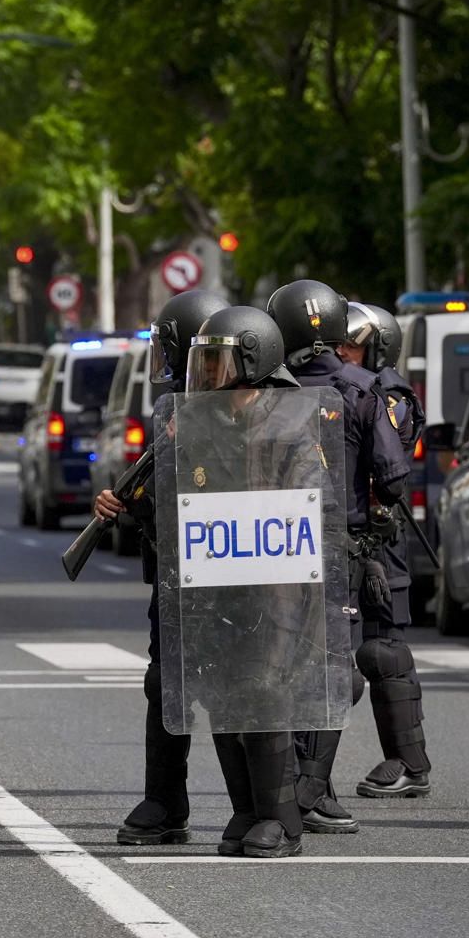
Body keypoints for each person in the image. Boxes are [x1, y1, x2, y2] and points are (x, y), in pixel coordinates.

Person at [265, 280, 410, 834]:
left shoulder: (263, 388)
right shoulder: (364, 388)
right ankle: (308, 788)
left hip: (272, 546)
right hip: (335, 548)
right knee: (333, 672)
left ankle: (302, 790)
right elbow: (393, 479)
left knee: (284, 668)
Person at [177, 305, 313, 858]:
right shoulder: (196, 421)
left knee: (266, 691)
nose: (208, 375)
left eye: (219, 362)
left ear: (254, 362)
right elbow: (174, 493)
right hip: (215, 581)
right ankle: (243, 809)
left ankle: (281, 821)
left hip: (276, 580)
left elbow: (310, 499)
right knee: (225, 695)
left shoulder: (293, 420)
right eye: (202, 363)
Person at [93, 288, 225, 846]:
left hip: (230, 574)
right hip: (175, 576)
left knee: (244, 689)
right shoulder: (171, 408)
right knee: (164, 685)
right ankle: (165, 802)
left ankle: (277, 803)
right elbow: (166, 494)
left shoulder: (247, 408)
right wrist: (126, 506)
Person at [341, 302, 432, 797]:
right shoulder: (341, 387)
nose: (342, 354)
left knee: (383, 649)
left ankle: (408, 763)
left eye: (351, 346)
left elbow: (385, 467)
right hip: (342, 535)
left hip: (381, 538)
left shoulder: (387, 396)